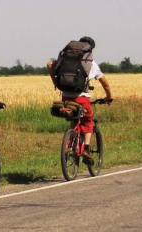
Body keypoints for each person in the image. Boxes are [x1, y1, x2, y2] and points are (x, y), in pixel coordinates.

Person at [47, 36, 113, 165]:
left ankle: (69, 145)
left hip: (66, 97)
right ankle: (86, 150)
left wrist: (55, 82)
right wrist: (108, 97)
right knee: (88, 122)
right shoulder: (90, 63)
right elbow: (104, 83)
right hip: (82, 97)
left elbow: (49, 64)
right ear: (90, 49)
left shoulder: (65, 58)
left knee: (74, 119)